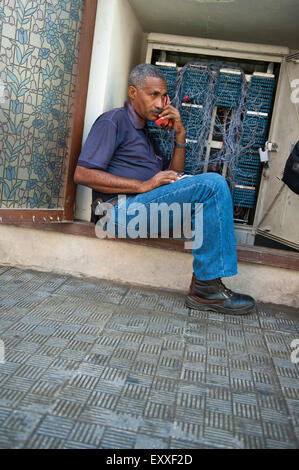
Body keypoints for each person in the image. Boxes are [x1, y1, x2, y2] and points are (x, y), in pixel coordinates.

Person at [74, 64, 256, 315]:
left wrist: (180, 134)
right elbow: (82, 174)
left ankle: (205, 284)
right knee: (212, 184)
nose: (160, 103)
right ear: (133, 93)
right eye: (153, 95)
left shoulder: (148, 135)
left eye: (164, 96)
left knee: (211, 188)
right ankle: (207, 288)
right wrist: (142, 185)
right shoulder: (113, 121)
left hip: (142, 208)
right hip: (114, 213)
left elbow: (173, 176)